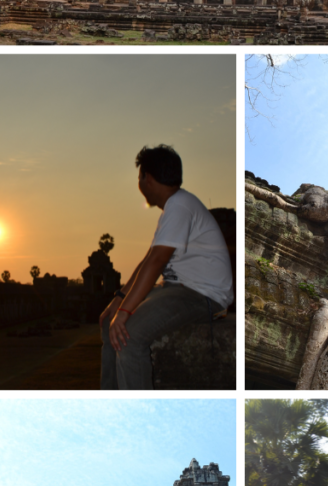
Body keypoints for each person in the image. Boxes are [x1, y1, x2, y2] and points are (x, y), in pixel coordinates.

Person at [99, 145, 234, 390]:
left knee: (128, 336)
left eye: (139, 176)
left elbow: (156, 261)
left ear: (146, 178)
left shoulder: (180, 204)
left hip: (201, 294)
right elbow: (148, 260)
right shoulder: (175, 207)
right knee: (110, 323)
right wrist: (118, 300)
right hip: (177, 289)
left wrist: (125, 312)